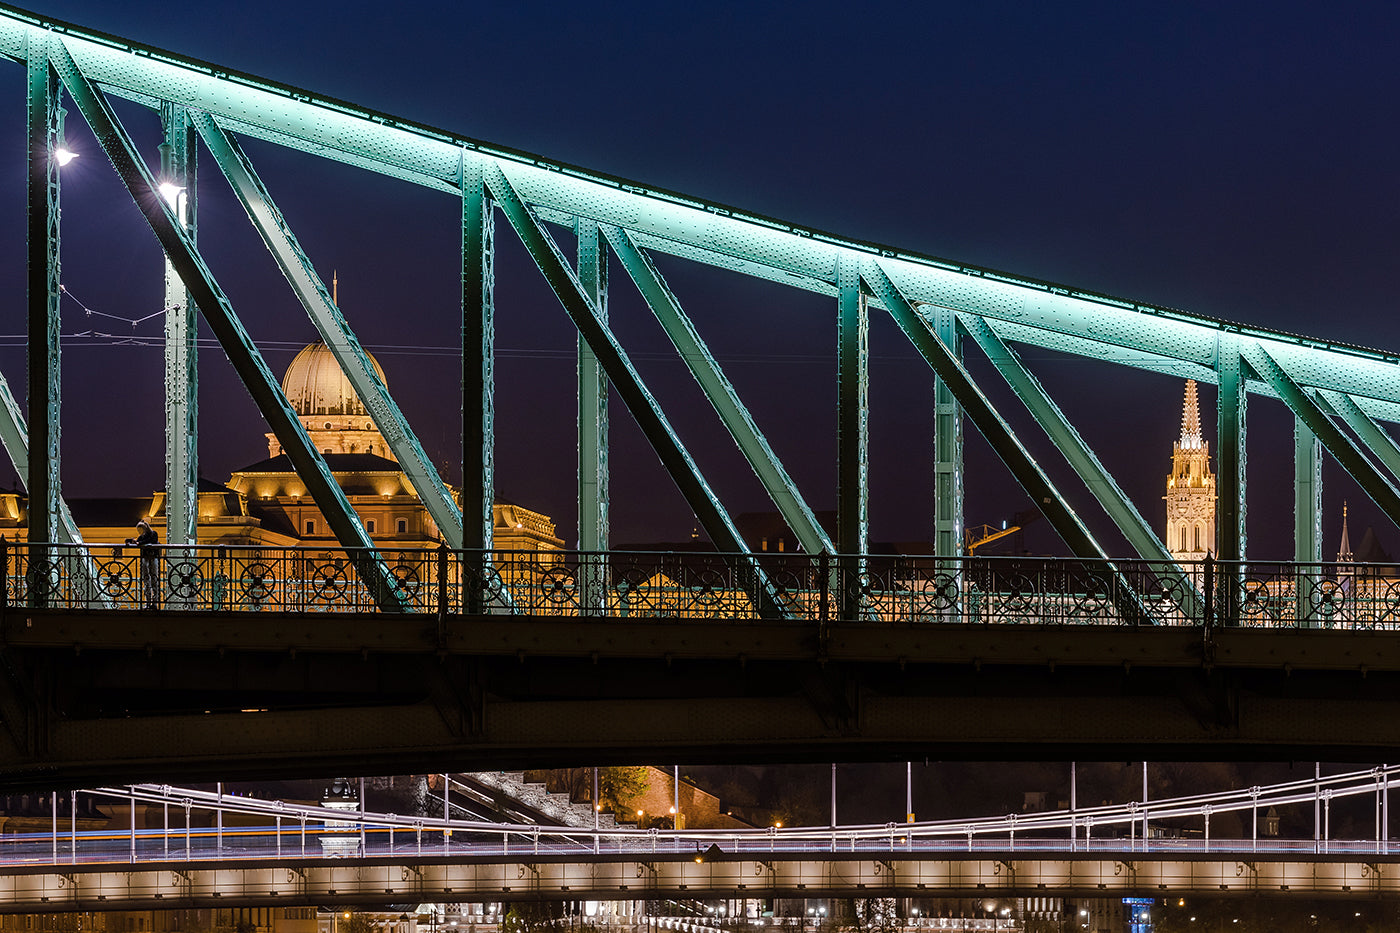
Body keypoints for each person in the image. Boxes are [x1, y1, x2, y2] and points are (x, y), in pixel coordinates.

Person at [125, 519, 160, 610]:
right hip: (150, 558)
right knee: (150, 579)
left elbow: (151, 540)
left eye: (140, 530)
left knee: (151, 579)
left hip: (149, 557)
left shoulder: (152, 534)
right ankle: (150, 602)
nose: (139, 532)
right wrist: (132, 542)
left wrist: (139, 543)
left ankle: (153, 602)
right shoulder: (144, 537)